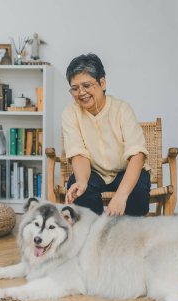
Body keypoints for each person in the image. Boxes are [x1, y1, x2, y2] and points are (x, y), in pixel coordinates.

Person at [62, 53, 151, 216]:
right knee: (77, 185)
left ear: (102, 83)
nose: (81, 92)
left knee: (138, 188)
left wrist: (121, 196)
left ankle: (129, 235)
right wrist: (82, 182)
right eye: (75, 88)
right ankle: (95, 234)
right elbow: (78, 154)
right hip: (94, 174)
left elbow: (137, 155)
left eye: (87, 85)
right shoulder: (70, 113)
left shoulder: (122, 109)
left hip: (125, 171)